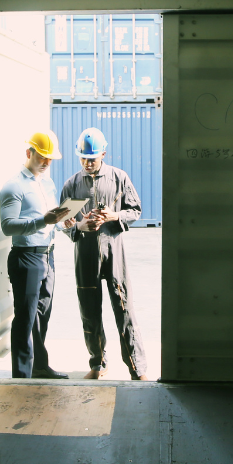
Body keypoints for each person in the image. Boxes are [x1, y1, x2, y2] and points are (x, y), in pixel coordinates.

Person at [59, 128, 149, 381]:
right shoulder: (71, 185)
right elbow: (63, 222)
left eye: (93, 159)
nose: (88, 163)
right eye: (84, 158)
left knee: (124, 309)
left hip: (114, 252)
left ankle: (137, 368)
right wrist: (79, 226)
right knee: (89, 311)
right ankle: (98, 364)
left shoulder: (119, 178)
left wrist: (114, 215)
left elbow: (136, 210)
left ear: (104, 155)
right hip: (85, 255)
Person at [0, 130, 74, 379]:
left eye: (50, 159)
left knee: (41, 316)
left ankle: (40, 366)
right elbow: (8, 226)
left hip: (47, 256)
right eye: (42, 157)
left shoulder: (48, 184)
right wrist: (42, 221)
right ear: (28, 153)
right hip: (26, 257)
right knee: (25, 318)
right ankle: (21, 376)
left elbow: (52, 219)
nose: (46, 163)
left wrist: (65, 223)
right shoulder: (13, 186)